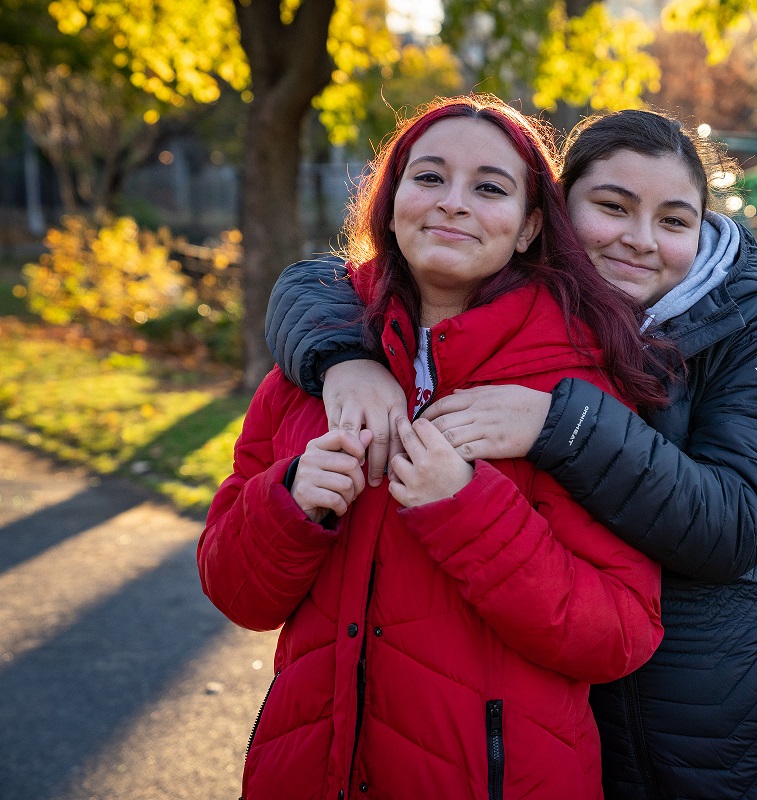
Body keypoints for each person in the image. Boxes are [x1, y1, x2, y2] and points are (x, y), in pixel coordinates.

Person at [266, 109, 757, 799]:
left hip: (752, 718)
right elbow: (320, 284)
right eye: (613, 206)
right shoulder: (551, 309)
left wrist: (560, 424)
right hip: (598, 727)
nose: (640, 241)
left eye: (675, 221)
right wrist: (343, 360)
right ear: (555, 213)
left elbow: (733, 525)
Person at [198, 96, 666, 800]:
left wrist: (468, 512)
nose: (453, 203)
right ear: (389, 205)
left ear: (529, 227)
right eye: (429, 178)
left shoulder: (575, 392)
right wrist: (290, 500)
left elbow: (621, 633)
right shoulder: (310, 373)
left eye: (488, 187)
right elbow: (234, 589)